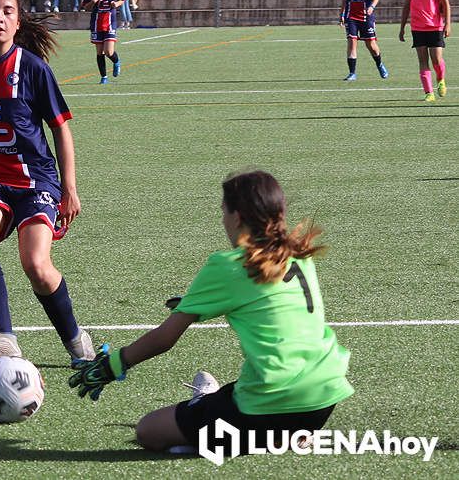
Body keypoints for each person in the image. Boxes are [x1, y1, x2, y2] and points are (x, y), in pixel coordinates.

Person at [69, 170, 354, 457]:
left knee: (149, 431)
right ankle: (274, 435)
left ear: (238, 217)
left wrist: (112, 365)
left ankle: (231, 433)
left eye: (223, 212)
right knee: (249, 401)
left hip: (270, 403)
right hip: (323, 399)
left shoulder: (227, 265)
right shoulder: (298, 257)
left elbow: (164, 339)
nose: (222, 220)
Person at [0, 0, 95, 367]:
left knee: (37, 267)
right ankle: (4, 338)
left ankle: (76, 340)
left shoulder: (31, 68)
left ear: (18, 20)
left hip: (35, 182)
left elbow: (61, 128)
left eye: (8, 11)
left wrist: (70, 188)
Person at [399, 0, 452, 102]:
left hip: (435, 26)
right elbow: (407, 5)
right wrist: (402, 27)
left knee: (436, 60)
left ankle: (440, 79)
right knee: (423, 61)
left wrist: (447, 24)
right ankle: (429, 93)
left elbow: (445, 3)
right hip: (417, 27)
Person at [339, 0, 388, 82]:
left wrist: (372, 6)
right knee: (351, 42)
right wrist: (342, 13)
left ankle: (379, 64)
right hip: (351, 16)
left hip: (366, 16)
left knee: (370, 44)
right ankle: (352, 73)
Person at [83, 0, 128, 83]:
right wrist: (93, 1)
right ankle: (103, 77)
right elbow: (85, 7)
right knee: (99, 52)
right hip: (96, 24)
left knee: (109, 51)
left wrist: (116, 4)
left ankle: (116, 61)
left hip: (109, 23)